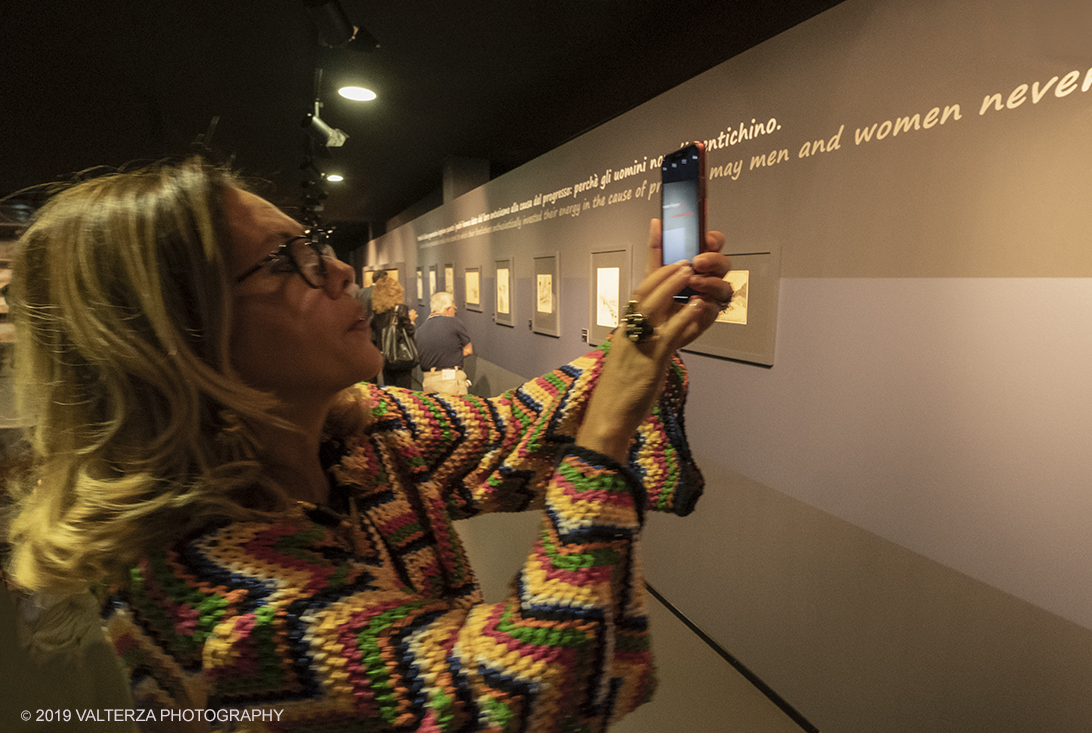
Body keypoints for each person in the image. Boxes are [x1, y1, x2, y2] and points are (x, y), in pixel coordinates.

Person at [2, 157, 731, 732]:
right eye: (287, 259)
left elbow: (512, 430)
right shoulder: (208, 593)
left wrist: (645, 328)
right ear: (175, 336)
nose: (344, 271)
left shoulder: (352, 432)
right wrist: (607, 434)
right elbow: (519, 695)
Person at [417, 290, 473, 395]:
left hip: (428, 382)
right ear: (447, 309)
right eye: (454, 309)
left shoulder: (420, 329)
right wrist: (452, 356)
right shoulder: (454, 322)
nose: (454, 312)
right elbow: (468, 350)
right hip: (451, 382)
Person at [369, 275, 418, 389]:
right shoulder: (401, 309)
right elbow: (409, 331)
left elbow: (375, 336)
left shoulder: (377, 312)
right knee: (404, 392)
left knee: (390, 391)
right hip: (402, 357)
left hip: (386, 358)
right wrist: (411, 321)